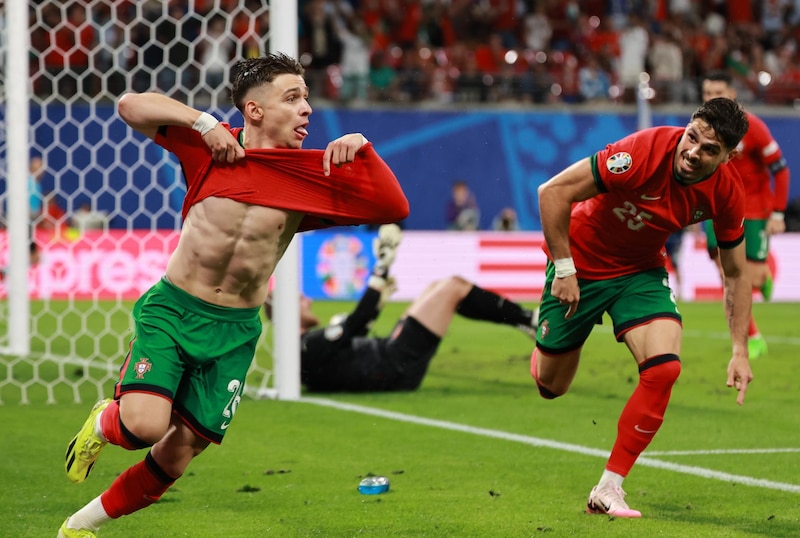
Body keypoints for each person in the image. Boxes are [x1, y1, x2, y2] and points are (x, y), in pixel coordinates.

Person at [58, 52, 409, 538]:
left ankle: (79, 526)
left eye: (307, 97)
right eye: (292, 97)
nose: (307, 108)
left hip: (235, 333)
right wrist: (202, 122)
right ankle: (105, 423)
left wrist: (363, 148)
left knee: (178, 455)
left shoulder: (309, 176)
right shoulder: (208, 147)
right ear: (254, 110)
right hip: (175, 311)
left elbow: (394, 205)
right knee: (143, 427)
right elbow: (129, 105)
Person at [533, 97, 753, 518]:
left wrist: (740, 350)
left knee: (665, 367)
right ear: (687, 127)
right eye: (692, 139)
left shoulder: (726, 192)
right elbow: (553, 192)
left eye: (710, 151)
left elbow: (737, 273)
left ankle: (608, 487)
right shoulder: (640, 153)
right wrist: (564, 269)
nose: (693, 154)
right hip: (580, 265)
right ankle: (542, 339)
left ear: (729, 156)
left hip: (640, 272)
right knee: (551, 386)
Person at [266, 224, 539, 393]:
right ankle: (529, 318)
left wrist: (379, 296)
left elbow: (358, 327)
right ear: (285, 312)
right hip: (395, 364)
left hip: (391, 357)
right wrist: (381, 267)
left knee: (439, 287)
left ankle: (523, 321)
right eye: (301, 300)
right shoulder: (306, 348)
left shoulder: (303, 352)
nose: (309, 301)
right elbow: (356, 322)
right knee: (453, 287)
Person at [700, 70, 791, 359]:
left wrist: (777, 212)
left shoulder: (753, 127)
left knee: (748, 279)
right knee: (727, 275)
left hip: (753, 210)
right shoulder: (700, 128)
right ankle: (751, 336)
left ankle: (762, 279)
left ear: (732, 94)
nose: (711, 98)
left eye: (717, 92)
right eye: (706, 93)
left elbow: (781, 169)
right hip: (716, 210)